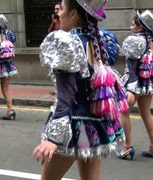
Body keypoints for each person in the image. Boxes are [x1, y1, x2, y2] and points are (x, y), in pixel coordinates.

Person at [33, 0, 126, 180]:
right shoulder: (98, 42)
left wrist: (54, 138)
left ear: (74, 14)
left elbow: (66, 95)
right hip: (96, 126)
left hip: (73, 125)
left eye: (62, 9)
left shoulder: (66, 41)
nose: (59, 14)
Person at [118, 10, 153, 160]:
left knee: (124, 112)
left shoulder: (134, 40)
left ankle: (127, 147)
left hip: (134, 82)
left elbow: (132, 67)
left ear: (140, 27)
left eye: (133, 24)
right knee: (146, 113)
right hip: (148, 83)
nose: (130, 27)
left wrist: (130, 89)